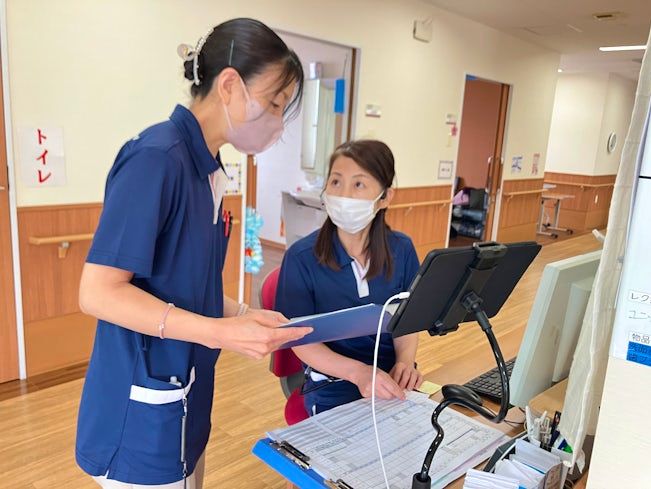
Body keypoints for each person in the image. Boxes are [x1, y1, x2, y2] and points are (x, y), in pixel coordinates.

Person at [75, 18, 312, 488]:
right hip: (139, 409)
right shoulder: (156, 158)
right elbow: (98, 293)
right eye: (274, 103)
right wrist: (221, 332)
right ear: (230, 85)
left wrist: (243, 315)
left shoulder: (207, 169)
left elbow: (187, 287)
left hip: (186, 392)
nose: (278, 124)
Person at [275, 140, 423, 415]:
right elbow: (299, 340)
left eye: (358, 184)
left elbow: (408, 319)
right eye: (335, 182)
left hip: (392, 381)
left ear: (385, 197)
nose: (344, 194)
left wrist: (405, 362)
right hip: (332, 385)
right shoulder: (301, 258)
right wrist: (360, 373)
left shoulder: (402, 250)